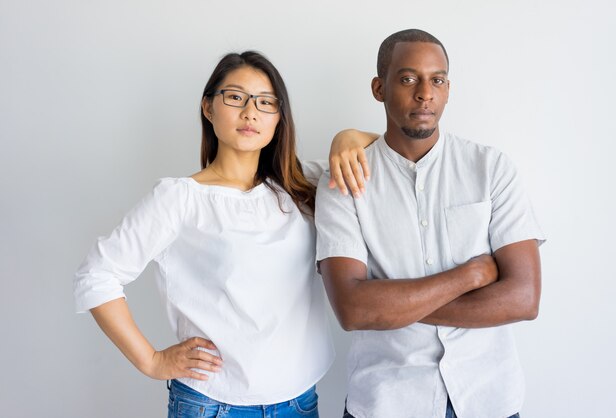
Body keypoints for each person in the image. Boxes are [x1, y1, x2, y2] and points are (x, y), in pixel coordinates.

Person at [74, 50, 375, 418]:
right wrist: (151, 361)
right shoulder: (179, 198)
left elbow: (389, 154)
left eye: (266, 103)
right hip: (212, 405)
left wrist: (346, 137)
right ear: (208, 107)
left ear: (279, 118)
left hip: (300, 400)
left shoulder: (301, 185)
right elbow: (97, 275)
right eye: (235, 97)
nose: (250, 112)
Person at [315, 29, 546, 418]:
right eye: (408, 79)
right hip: (386, 403)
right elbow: (353, 311)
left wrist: (392, 305)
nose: (425, 93)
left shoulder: (490, 169)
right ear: (379, 87)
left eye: (436, 80)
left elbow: (523, 299)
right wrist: (470, 276)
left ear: (448, 88)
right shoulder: (343, 181)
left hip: (488, 398)